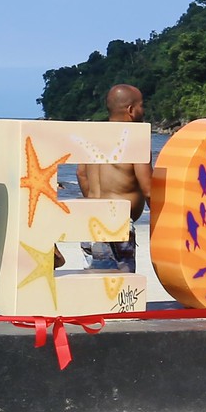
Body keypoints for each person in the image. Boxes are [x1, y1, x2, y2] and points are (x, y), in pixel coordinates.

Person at [78, 84, 153, 273]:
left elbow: (81, 173)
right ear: (131, 110)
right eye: (141, 106)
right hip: (117, 224)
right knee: (120, 290)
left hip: (91, 221)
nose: (143, 110)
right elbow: (148, 190)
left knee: (97, 282)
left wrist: (96, 200)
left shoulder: (94, 137)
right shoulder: (135, 140)